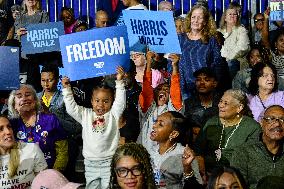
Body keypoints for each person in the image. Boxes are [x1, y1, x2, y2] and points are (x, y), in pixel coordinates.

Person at [61, 67, 126, 189]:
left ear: (112, 102)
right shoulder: (85, 114)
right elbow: (71, 108)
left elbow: (120, 103)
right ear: (91, 101)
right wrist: (67, 89)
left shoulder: (113, 114)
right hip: (91, 164)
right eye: (97, 100)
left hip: (110, 161)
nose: (101, 104)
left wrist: (119, 82)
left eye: (106, 101)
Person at [194, 89, 261, 172]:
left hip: (236, 172)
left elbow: (251, 157)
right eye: (220, 101)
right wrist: (200, 162)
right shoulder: (211, 122)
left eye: (225, 103)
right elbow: (198, 149)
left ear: (239, 107)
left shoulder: (252, 127)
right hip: (208, 171)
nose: (220, 105)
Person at [8, 84, 68, 171]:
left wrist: (54, 174)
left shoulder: (50, 119)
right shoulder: (11, 125)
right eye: (19, 96)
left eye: (28, 95)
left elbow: (62, 151)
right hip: (22, 175)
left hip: (50, 172)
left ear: (36, 100)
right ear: (14, 105)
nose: (24, 99)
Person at [37, 65, 82, 181]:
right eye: (43, 80)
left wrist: (51, 115)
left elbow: (76, 128)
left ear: (57, 79)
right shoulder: (35, 98)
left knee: (64, 180)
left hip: (66, 143)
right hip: (42, 145)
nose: (46, 84)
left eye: (50, 80)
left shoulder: (66, 98)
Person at [138, 51, 182, 155]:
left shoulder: (172, 111)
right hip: (144, 155)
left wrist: (175, 66)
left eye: (167, 89)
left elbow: (175, 91)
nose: (163, 90)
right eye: (159, 89)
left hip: (165, 156)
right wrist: (148, 62)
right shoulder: (148, 111)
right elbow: (146, 89)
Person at [231, 105, 284, 189]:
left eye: (282, 119)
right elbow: (237, 186)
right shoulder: (243, 151)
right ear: (261, 122)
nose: (277, 124)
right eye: (271, 119)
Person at [178, 4, 222, 100]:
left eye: (200, 18)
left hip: (205, 88)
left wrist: (215, 85)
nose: (196, 21)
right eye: (193, 17)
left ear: (205, 21)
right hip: (184, 88)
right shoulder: (180, 38)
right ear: (189, 19)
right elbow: (173, 63)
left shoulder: (211, 40)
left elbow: (217, 64)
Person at [150, 111, 203, 188]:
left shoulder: (185, 155)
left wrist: (187, 168)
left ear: (173, 134)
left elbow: (197, 187)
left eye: (160, 124)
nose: (154, 126)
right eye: (156, 121)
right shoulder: (151, 152)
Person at [0, 114, 47, 188]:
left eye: (9, 127)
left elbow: (45, 183)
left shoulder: (32, 149)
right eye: (0, 129)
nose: (8, 132)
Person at [184, 67, 221, 140]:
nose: (201, 83)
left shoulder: (222, 103)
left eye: (206, 80)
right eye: (198, 80)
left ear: (215, 84)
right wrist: (191, 129)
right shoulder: (188, 103)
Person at [218, 3, 250, 79]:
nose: (232, 16)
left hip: (236, 62)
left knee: (231, 63)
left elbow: (242, 48)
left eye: (235, 14)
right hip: (221, 61)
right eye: (230, 14)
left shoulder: (242, 30)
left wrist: (226, 58)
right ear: (225, 18)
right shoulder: (218, 32)